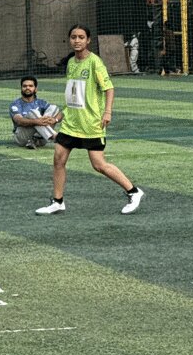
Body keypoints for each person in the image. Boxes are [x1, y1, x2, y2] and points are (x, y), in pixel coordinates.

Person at [36, 24, 144, 216]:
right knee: (59, 159)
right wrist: (58, 117)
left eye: (81, 37)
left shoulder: (95, 62)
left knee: (98, 164)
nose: (77, 40)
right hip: (71, 123)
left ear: (88, 40)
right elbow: (72, 96)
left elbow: (109, 88)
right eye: (73, 37)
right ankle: (58, 201)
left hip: (91, 124)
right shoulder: (71, 63)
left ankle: (133, 192)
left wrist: (107, 112)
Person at [9, 75, 62, 149]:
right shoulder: (16, 104)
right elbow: (19, 121)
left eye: (30, 86)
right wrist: (37, 121)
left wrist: (55, 120)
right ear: (21, 88)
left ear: (35, 89)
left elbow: (60, 114)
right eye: (24, 86)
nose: (27, 88)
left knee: (54, 107)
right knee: (34, 112)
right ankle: (55, 136)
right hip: (22, 137)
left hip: (42, 138)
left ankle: (36, 138)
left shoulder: (41, 102)